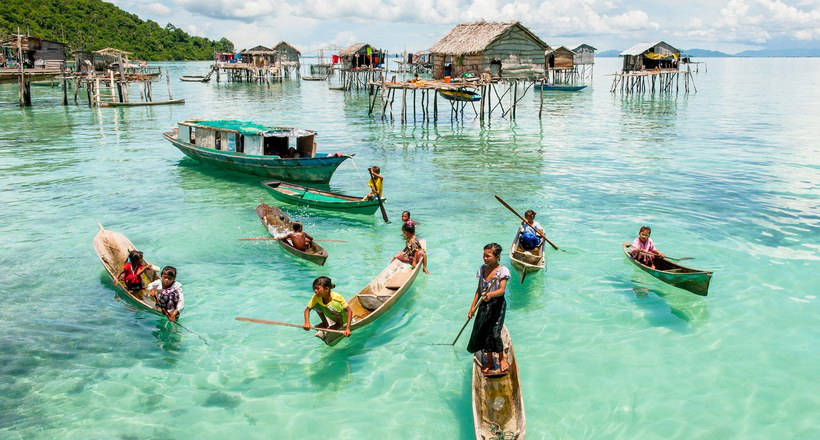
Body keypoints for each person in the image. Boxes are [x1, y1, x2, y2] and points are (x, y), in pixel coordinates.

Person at [467, 243, 510, 376]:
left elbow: (501, 291)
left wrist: (490, 295)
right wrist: (473, 307)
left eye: (488, 256)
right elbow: (479, 290)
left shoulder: (502, 271)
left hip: (497, 305)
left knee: (495, 333)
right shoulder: (482, 269)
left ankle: (502, 358)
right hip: (484, 305)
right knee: (485, 333)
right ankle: (490, 360)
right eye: (484, 255)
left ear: (497, 257)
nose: (485, 258)